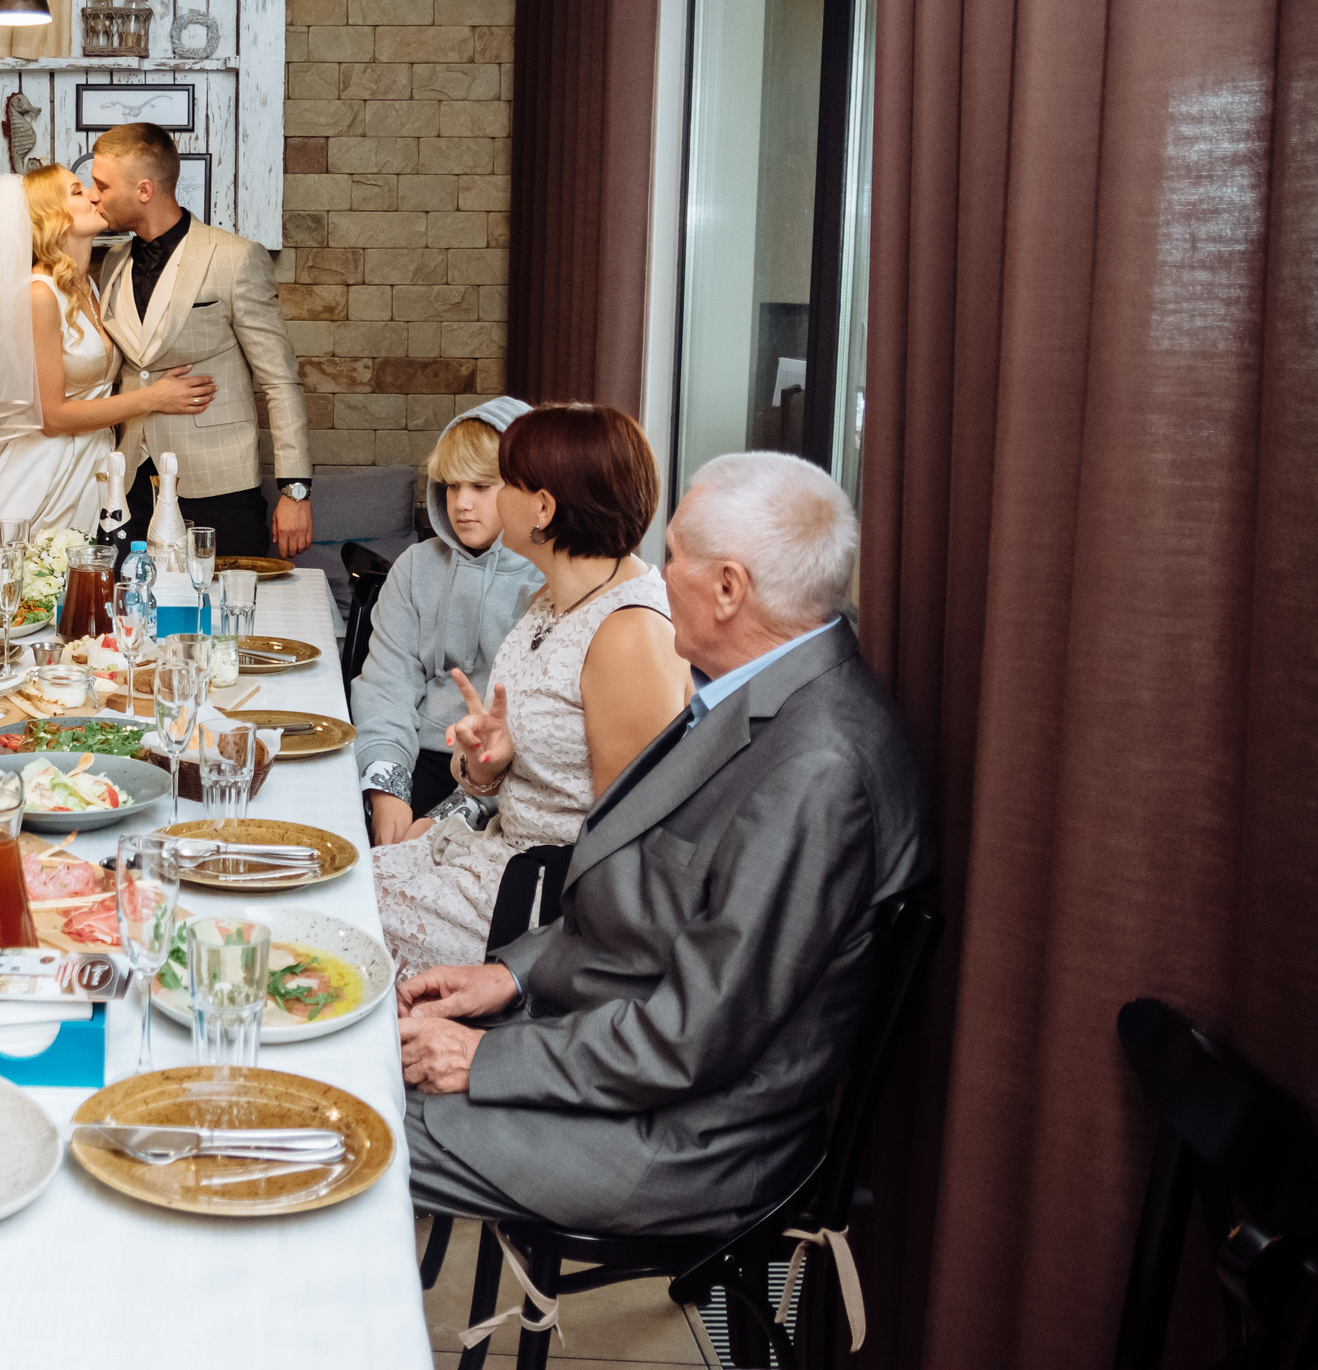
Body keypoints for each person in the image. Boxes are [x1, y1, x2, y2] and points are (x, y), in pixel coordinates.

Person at [397, 450, 932, 1240]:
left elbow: (692, 1039)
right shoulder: (759, 688)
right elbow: (652, 907)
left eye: (674, 554)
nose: (655, 569)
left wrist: (485, 1060)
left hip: (688, 1136)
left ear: (728, 588)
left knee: (350, 1121)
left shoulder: (820, 768)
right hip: (628, 1058)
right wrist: (510, 975)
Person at [371, 403, 692, 979]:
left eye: (503, 481)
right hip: (493, 852)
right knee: (325, 879)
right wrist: (487, 767)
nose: (469, 501)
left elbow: (629, 852)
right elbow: (529, 772)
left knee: (331, 912)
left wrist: (515, 974)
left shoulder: (629, 634)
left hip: (542, 905)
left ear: (541, 508)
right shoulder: (553, 597)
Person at [0, 164, 217, 611]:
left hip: (91, 465)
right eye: (78, 191)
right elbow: (52, 416)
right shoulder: (39, 294)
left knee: (65, 598)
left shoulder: (89, 285)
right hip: (43, 469)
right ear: (51, 217)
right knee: (10, 594)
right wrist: (153, 398)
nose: (95, 196)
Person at [88, 122, 313, 559]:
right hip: (131, 480)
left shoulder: (235, 258)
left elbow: (280, 380)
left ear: (145, 190)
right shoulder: (113, 261)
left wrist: (296, 490)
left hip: (218, 480)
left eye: (101, 185)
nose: (94, 195)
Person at [351, 398, 547, 845]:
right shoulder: (416, 565)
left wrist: (457, 812)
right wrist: (387, 791)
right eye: (451, 485)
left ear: (526, 487)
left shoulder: (550, 581)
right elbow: (386, 687)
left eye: (481, 486)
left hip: (504, 783)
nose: (461, 503)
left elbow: (540, 738)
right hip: (412, 755)